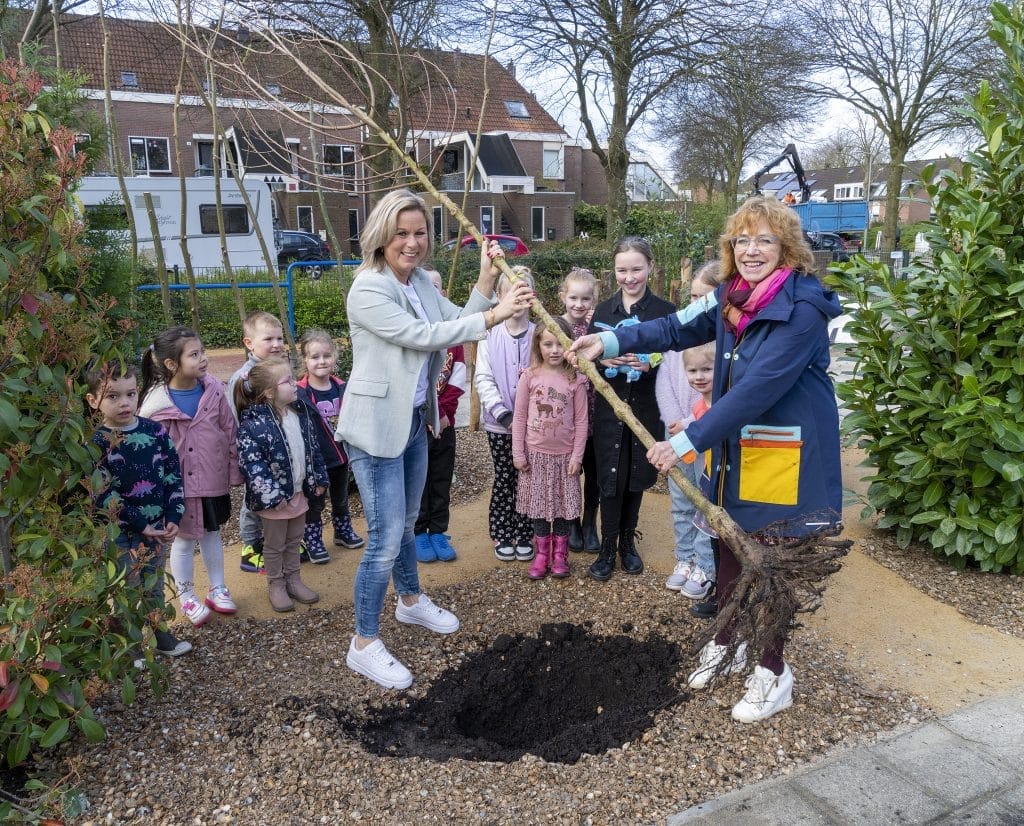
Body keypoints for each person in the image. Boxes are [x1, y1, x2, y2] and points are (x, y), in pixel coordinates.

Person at [570, 196, 842, 723]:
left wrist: (689, 438)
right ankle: (727, 638)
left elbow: (758, 389)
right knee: (725, 544)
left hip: (781, 451)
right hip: (735, 446)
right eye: (742, 239)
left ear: (786, 247)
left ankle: (773, 670)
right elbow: (672, 329)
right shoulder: (730, 298)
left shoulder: (803, 308)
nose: (751, 249)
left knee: (769, 562)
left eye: (764, 239)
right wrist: (608, 340)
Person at [335, 189, 532, 690]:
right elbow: (425, 337)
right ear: (381, 235)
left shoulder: (420, 280)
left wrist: (488, 283)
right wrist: (495, 313)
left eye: (420, 232)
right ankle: (363, 643)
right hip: (377, 428)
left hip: (414, 422)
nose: (412, 242)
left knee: (403, 526)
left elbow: (452, 320)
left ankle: (409, 601)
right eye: (401, 232)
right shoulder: (368, 289)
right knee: (383, 539)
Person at [86, 362, 191, 658]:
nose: (124, 403)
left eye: (131, 394)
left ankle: (159, 633)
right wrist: (137, 522)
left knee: (154, 583)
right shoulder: (96, 443)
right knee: (126, 587)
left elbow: (172, 474)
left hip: (156, 527)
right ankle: (128, 646)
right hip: (121, 532)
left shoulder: (155, 432)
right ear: (93, 401)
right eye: (113, 396)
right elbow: (103, 491)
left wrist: (174, 516)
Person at [138, 327, 241, 627]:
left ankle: (218, 588)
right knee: (183, 542)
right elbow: (148, 453)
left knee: (212, 533)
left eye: (202, 352)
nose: (203, 359)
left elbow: (229, 431)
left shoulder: (213, 391)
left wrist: (233, 470)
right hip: (178, 487)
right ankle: (186, 595)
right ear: (172, 364)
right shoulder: (156, 407)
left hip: (211, 478)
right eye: (194, 354)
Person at [586, 237, 675, 581]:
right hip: (611, 408)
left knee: (637, 474)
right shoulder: (604, 311)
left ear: (650, 267)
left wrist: (652, 364)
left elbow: (676, 358)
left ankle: (628, 543)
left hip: (646, 406)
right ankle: (607, 546)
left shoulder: (665, 312)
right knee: (611, 476)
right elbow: (587, 359)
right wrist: (602, 355)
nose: (629, 277)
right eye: (622, 270)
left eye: (636, 269)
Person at [235, 360, 328, 613]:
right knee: (275, 544)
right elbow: (253, 465)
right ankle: (276, 584)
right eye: (287, 381)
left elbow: (313, 449)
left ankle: (294, 579)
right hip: (274, 501)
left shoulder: (300, 414)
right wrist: (272, 495)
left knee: (295, 539)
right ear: (268, 392)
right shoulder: (252, 425)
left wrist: (318, 478)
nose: (295, 384)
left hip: (298, 493)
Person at [656, 262, 721, 597]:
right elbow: (665, 383)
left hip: (706, 438)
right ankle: (684, 558)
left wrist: (694, 427)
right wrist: (673, 424)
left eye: (703, 297)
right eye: (692, 296)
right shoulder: (679, 337)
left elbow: (723, 399)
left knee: (703, 502)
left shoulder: (724, 342)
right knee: (681, 501)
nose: (696, 304)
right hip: (677, 436)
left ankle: (704, 564)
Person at [513, 317, 589, 579]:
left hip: (564, 457)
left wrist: (577, 456)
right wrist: (518, 453)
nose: (554, 350)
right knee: (538, 508)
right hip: (535, 456)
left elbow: (581, 421)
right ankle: (541, 553)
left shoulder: (575, 379)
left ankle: (560, 555)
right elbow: (520, 417)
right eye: (548, 344)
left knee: (562, 508)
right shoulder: (530, 377)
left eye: (560, 344)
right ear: (538, 345)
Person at [475, 265, 537, 563]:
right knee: (504, 477)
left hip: (534, 427)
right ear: (499, 296)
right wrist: (504, 415)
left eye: (523, 292)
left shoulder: (539, 336)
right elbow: (483, 378)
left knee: (527, 476)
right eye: (510, 292)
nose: (517, 299)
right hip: (500, 426)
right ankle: (502, 531)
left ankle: (525, 531)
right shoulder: (489, 335)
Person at [295, 329, 364, 565]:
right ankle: (313, 539)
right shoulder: (300, 393)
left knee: (341, 497)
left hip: (341, 457)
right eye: (314, 357)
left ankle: (342, 531)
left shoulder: (343, 387)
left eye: (326, 355)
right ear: (304, 360)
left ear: (334, 357)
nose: (321, 361)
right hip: (316, 460)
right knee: (315, 501)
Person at [227, 311, 288, 573]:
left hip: (279, 449)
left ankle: (278, 543)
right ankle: (250, 547)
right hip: (255, 453)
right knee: (254, 499)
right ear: (249, 343)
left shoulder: (279, 370)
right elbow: (235, 416)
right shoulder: (244, 378)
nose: (276, 344)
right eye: (268, 339)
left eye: (279, 338)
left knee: (281, 493)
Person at [414, 269, 467, 563]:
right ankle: (419, 531)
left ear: (443, 295)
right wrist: (427, 413)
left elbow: (457, 379)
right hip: (417, 424)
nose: (432, 292)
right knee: (419, 478)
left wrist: (443, 413)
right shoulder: (415, 332)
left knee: (441, 477)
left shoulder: (452, 338)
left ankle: (438, 530)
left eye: (437, 286)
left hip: (444, 423)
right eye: (426, 287)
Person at [558, 268, 601, 554]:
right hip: (566, 414)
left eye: (586, 298)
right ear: (563, 297)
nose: (579, 304)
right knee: (570, 470)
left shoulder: (597, 327)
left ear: (594, 299)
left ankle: (589, 522)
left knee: (594, 470)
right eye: (573, 297)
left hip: (595, 409)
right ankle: (571, 520)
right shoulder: (554, 327)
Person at [677, 341, 717, 603]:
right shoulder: (701, 403)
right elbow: (694, 423)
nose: (699, 377)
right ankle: (692, 561)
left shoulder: (722, 402)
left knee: (708, 517)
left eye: (706, 370)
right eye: (693, 371)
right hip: (705, 468)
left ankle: (706, 568)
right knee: (696, 511)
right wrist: (682, 426)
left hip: (719, 472)